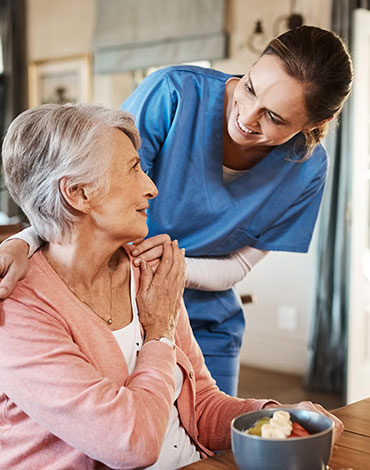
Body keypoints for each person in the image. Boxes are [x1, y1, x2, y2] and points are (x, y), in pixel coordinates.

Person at [0, 26, 353, 396]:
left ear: (316, 124)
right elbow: (86, 188)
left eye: (274, 118)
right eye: (249, 88)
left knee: (210, 442)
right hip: (115, 307)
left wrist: (174, 270)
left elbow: (238, 266)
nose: (247, 118)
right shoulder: (174, 94)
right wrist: (25, 242)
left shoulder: (306, 170)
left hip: (205, 321)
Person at [0, 103, 343, 469]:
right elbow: (133, 444)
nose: (151, 188)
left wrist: (277, 419)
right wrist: (159, 331)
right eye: (133, 169)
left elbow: (201, 407)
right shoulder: (17, 310)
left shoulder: (146, 272)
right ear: (79, 193)